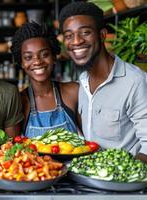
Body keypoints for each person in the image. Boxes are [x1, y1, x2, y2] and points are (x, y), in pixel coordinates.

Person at [59, 2, 147, 161]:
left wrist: (124, 175)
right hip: (88, 177)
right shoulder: (83, 80)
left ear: (103, 34)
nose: (76, 41)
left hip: (123, 181)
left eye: (85, 32)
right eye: (68, 35)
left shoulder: (135, 81)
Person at [11, 22, 80, 138]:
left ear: (54, 57)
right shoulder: (20, 101)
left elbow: (90, 140)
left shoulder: (74, 92)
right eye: (28, 57)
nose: (37, 61)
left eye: (44, 54)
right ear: (21, 63)